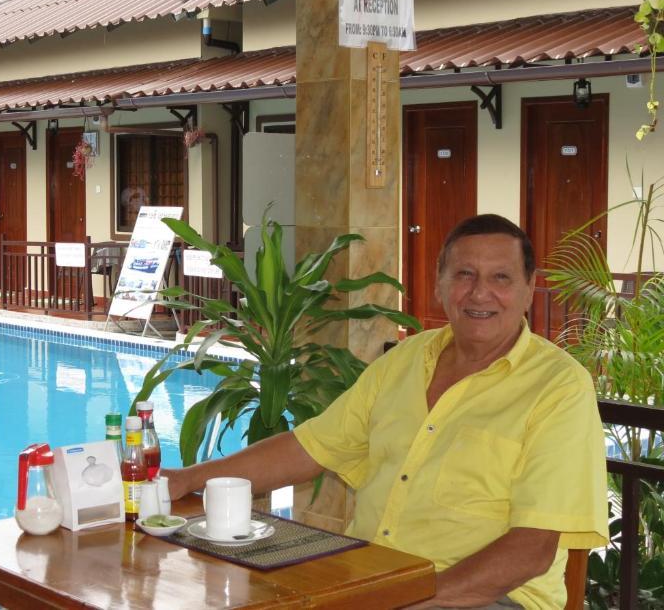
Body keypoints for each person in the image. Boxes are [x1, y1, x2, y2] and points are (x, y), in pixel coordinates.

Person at [163, 214, 608, 610]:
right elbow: (311, 447)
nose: (480, 293)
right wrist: (190, 478)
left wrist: (413, 597)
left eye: (502, 278)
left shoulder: (559, 387)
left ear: (530, 288)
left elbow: (531, 550)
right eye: (465, 274)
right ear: (439, 283)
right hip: (374, 577)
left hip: (486, 597)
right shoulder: (405, 361)